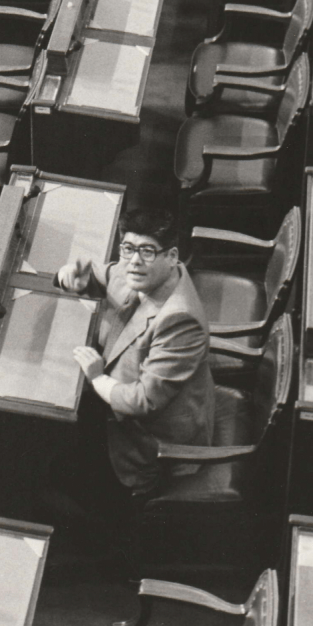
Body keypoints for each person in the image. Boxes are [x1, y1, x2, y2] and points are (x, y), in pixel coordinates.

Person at [57, 207, 215, 497]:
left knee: (59, 470)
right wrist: (73, 278)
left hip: (146, 444)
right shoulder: (136, 269)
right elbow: (101, 274)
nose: (134, 262)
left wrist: (97, 379)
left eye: (147, 251)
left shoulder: (180, 320)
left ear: (172, 257)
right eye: (128, 248)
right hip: (118, 401)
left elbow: (143, 401)